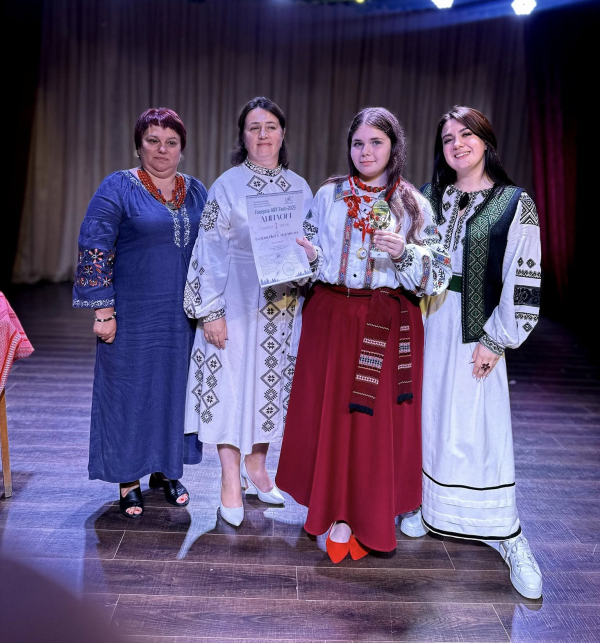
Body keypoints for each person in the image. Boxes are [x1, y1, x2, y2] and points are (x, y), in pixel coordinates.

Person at [276, 107, 452, 561]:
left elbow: (439, 275)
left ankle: (372, 513)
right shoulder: (329, 195)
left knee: (373, 423)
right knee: (333, 417)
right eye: (358, 143)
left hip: (385, 321)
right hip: (332, 317)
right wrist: (309, 257)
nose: (366, 152)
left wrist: (405, 253)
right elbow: (311, 259)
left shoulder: (413, 204)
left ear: (394, 147)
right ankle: (333, 513)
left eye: (376, 142)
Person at [408, 105, 543, 600]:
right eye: (448, 138)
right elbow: (409, 257)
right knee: (431, 416)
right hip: (429, 323)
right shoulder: (428, 197)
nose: (457, 144)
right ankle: (430, 507)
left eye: (467, 135)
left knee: (479, 425)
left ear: (486, 141)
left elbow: (523, 276)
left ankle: (507, 533)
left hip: (477, 327)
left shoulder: (514, 202)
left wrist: (497, 339)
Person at [183, 96, 313, 527]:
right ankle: (229, 480)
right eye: (254, 127)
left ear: (283, 133)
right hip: (234, 300)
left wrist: (308, 262)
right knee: (231, 387)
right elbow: (209, 248)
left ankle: (257, 467)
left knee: (268, 389)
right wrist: (210, 311)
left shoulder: (300, 187)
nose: (263, 134)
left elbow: (311, 244)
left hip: (282, 306)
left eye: (270, 126)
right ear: (243, 135)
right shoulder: (227, 185)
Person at [73, 108, 207, 518]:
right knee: (128, 393)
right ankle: (128, 479)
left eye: (171, 142)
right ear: (139, 145)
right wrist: (103, 310)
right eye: (153, 141)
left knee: (174, 394)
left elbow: (214, 250)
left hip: (182, 319)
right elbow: (94, 247)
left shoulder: (197, 191)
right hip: (131, 315)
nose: (162, 149)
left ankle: (166, 471)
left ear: (182, 148)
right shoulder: (118, 186)